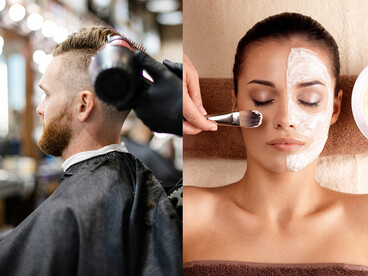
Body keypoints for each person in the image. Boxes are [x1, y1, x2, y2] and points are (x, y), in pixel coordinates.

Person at [183, 13, 368, 274]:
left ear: (334, 109)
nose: (285, 119)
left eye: (310, 99)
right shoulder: (188, 213)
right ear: (236, 104)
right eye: (262, 98)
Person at [0, 26, 181, 276]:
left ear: (83, 104)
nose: (40, 109)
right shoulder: (138, 185)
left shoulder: (64, 215)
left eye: (46, 94)